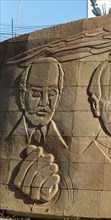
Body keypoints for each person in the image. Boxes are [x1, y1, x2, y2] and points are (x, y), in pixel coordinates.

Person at [5, 57, 71, 210]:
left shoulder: (66, 147)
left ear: (59, 96)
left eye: (52, 93)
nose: (44, 102)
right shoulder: (7, 142)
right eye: (35, 94)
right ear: (22, 96)